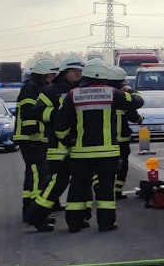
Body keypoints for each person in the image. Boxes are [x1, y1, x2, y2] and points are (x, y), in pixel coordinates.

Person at [49, 62, 138, 233]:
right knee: (106, 190)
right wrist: (128, 88)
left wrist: (68, 141)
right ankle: (106, 224)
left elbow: (60, 126)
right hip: (107, 152)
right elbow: (136, 102)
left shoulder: (72, 95)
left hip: (81, 153)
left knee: (78, 188)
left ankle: (75, 223)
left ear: (85, 76)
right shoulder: (112, 93)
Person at [30, 60, 84, 232]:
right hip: (57, 145)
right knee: (57, 183)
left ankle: (79, 217)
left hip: (77, 143)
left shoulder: (80, 89)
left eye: (80, 71)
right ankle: (37, 214)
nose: (78, 74)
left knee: (79, 181)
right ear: (65, 72)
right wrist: (60, 115)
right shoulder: (51, 90)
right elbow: (38, 111)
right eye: (74, 71)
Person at [14, 60, 60, 226]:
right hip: (31, 139)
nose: (54, 78)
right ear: (45, 74)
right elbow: (28, 112)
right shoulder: (31, 87)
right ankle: (33, 210)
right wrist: (33, 132)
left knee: (36, 173)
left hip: (37, 138)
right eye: (52, 74)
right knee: (36, 174)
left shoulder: (36, 87)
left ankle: (33, 208)